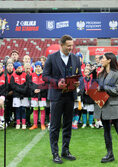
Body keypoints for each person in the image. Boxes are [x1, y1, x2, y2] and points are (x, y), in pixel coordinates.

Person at [43, 35, 81, 164]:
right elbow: (45, 76)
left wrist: (78, 83)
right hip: (56, 96)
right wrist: (56, 82)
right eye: (68, 45)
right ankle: (55, 153)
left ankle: (65, 151)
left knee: (67, 124)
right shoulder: (52, 58)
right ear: (62, 44)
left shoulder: (76, 59)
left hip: (70, 96)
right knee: (54, 126)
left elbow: (79, 76)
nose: (71, 48)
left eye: (72, 45)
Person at [10, 62, 29, 130]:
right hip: (16, 95)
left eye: (20, 67)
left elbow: (27, 85)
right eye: (18, 68)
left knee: (23, 109)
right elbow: (13, 86)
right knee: (17, 109)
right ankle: (18, 123)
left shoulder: (25, 75)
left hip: (24, 95)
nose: (20, 69)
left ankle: (23, 123)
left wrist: (23, 91)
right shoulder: (13, 76)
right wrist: (21, 91)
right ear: (15, 69)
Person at [29, 61, 47, 130]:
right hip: (34, 95)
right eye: (36, 67)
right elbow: (30, 85)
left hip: (42, 95)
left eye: (39, 66)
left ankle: (42, 124)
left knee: (42, 109)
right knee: (35, 109)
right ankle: (35, 124)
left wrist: (41, 90)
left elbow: (46, 85)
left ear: (41, 67)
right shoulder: (32, 75)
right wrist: (34, 90)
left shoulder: (44, 75)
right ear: (35, 67)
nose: (38, 68)